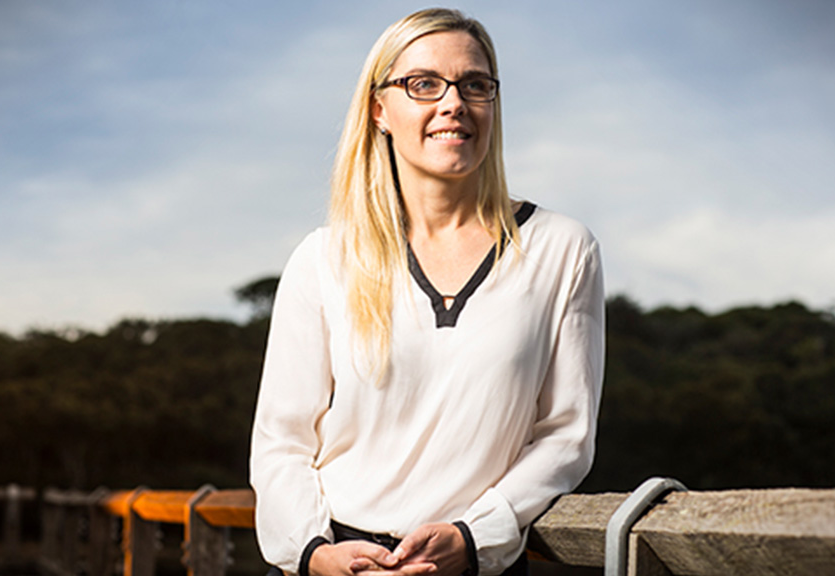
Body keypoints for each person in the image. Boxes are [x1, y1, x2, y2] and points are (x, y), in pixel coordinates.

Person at [250, 8, 604, 576]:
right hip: (334, 565)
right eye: (423, 84)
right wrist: (317, 556)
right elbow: (280, 444)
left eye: (475, 85)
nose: (454, 104)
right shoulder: (323, 258)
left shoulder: (562, 249)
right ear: (379, 109)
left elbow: (566, 436)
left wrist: (473, 536)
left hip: (470, 563)